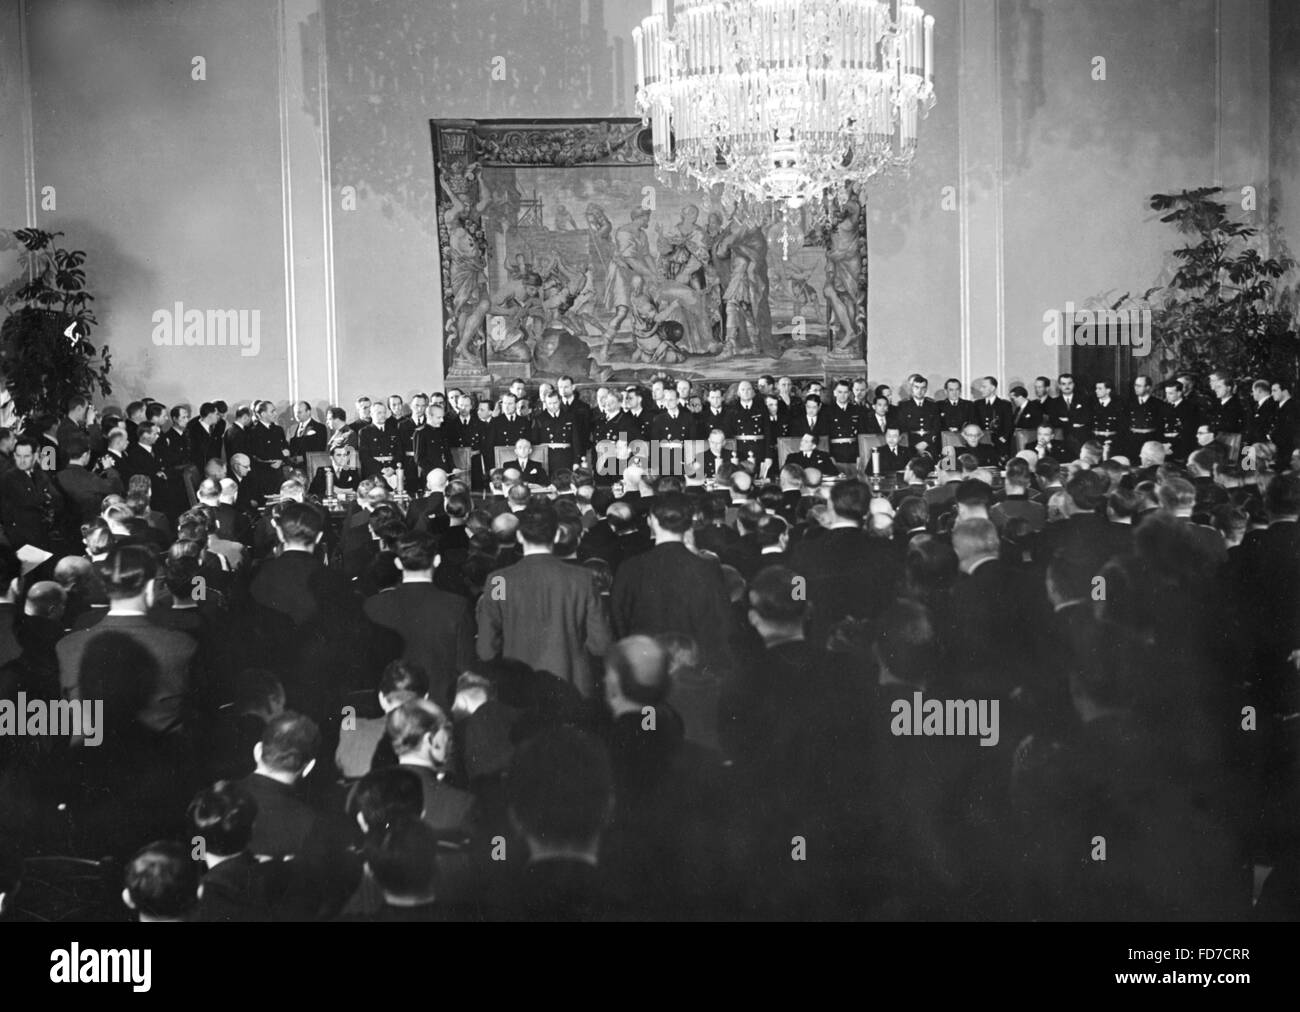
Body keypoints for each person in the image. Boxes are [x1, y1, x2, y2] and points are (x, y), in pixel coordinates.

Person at [476, 502, 611, 695]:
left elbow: (486, 648)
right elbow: (600, 644)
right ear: (556, 535)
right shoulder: (582, 579)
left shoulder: (500, 581)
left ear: (520, 536)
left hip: (518, 687)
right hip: (571, 685)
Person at [363, 532, 475, 706]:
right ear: (437, 560)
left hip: (388, 707)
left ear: (398, 563)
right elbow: (465, 667)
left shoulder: (372, 606)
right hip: (440, 706)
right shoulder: (457, 605)